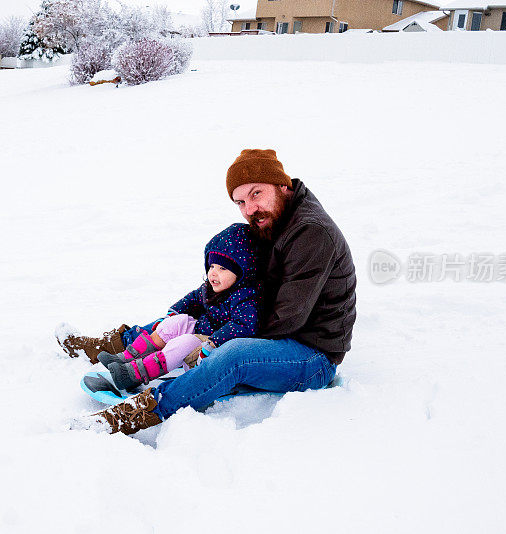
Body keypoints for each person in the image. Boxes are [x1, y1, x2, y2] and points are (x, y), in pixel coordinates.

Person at [73, 149, 357, 435]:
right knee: (192, 312)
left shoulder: (311, 232)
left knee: (235, 353)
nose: (249, 209)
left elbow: (287, 318)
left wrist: (220, 335)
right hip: (270, 325)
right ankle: (119, 344)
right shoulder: (275, 218)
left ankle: (144, 410)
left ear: (282, 185)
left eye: (256, 194)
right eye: (241, 202)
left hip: (311, 354)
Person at [98, 223, 261, 391]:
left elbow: (244, 326)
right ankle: (127, 358)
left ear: (242, 272)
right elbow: (193, 298)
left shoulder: (245, 297)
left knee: (184, 342)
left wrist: (214, 341)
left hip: (216, 346)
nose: (213, 273)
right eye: (211, 266)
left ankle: (134, 374)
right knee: (175, 323)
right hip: (203, 330)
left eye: (222, 268)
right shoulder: (211, 288)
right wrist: (173, 314)